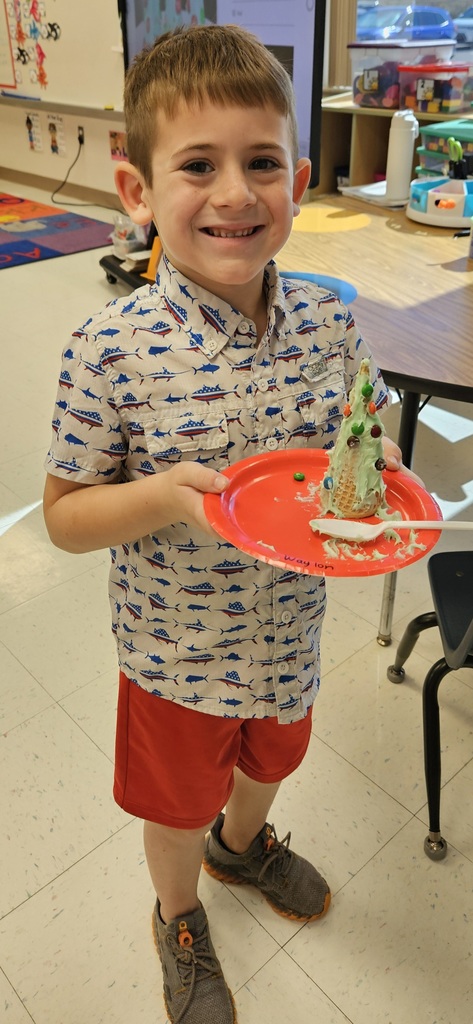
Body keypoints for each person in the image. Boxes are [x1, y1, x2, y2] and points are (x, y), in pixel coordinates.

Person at [43, 24, 409, 1024]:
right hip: (175, 654)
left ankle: (242, 846)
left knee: (271, 761)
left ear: (294, 180)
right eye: (197, 165)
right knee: (174, 802)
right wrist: (167, 497)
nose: (235, 194)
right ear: (136, 190)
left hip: (290, 634)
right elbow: (67, 519)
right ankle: (178, 911)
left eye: (259, 164)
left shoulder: (330, 322)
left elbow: (358, 437)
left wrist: (378, 487)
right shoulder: (108, 349)